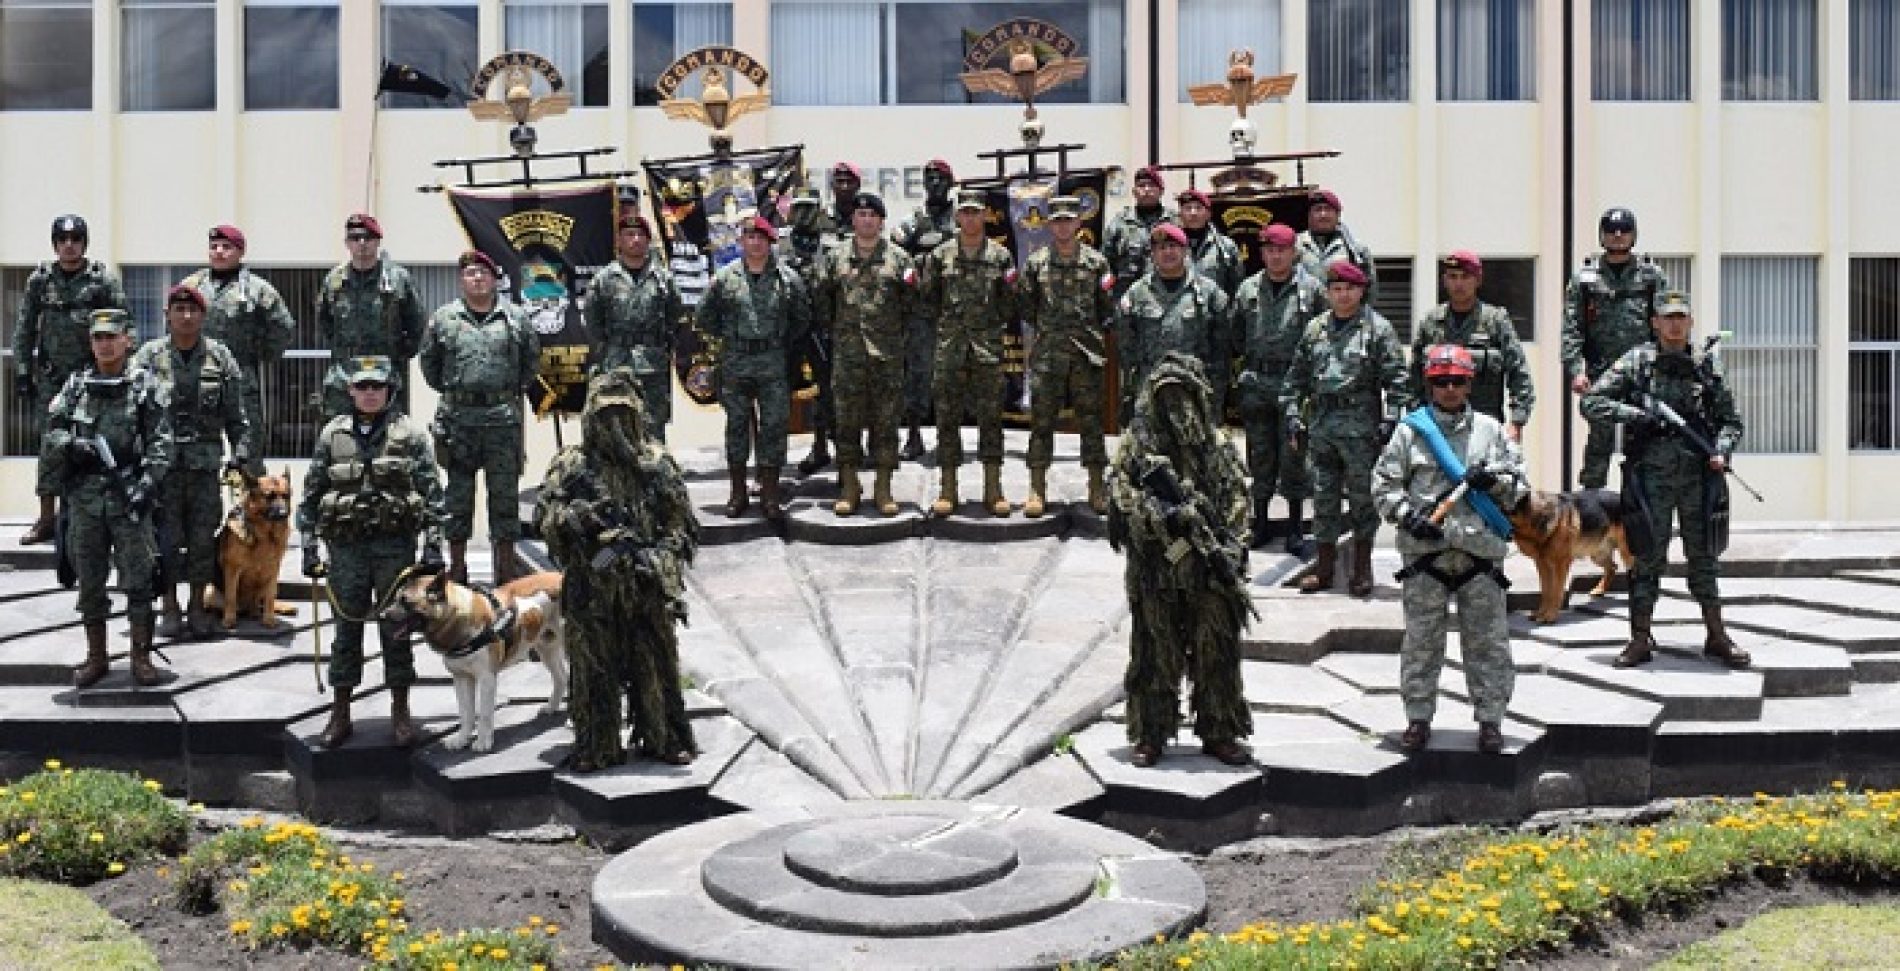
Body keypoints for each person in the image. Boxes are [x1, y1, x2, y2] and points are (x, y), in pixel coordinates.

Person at [536, 367, 699, 772]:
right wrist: (578, 519)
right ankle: (597, 744)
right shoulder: (572, 465)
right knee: (593, 671)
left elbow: (680, 526)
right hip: (591, 588)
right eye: (604, 416)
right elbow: (546, 515)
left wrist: (657, 562)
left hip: (644, 583)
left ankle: (665, 738)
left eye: (622, 415)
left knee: (655, 667)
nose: (614, 426)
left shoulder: (657, 463)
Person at [1582, 290, 1750, 670]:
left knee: (1704, 558)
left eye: (1681, 317)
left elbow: (1731, 421)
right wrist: (1636, 415)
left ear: (1690, 322)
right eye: (1667, 317)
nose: (1674, 324)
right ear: (1655, 322)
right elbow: (1591, 402)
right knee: (1645, 558)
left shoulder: (1705, 366)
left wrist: (1722, 449)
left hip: (1698, 478)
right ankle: (1640, 638)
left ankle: (1717, 635)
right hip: (1649, 479)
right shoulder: (1636, 362)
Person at [1373, 345, 1528, 754]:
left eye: (1457, 380)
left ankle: (1491, 720)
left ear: (1470, 382)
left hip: (1481, 557)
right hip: (1427, 556)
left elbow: (1519, 490)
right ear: (1428, 383)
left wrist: (1491, 482)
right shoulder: (1411, 431)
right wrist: (1408, 517)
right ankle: (1418, 719)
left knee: (1488, 645)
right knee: (1422, 643)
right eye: (1440, 381)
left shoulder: (1492, 432)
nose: (1449, 389)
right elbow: (1383, 487)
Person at [1106, 352, 1252, 769]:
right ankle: (1150, 733)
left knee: (1217, 651)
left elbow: (1239, 497)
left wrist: (1231, 549)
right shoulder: (1139, 441)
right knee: (1154, 652)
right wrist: (1161, 516)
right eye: (1167, 396)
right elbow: (1120, 494)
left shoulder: (1217, 443)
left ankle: (1219, 730)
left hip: (1207, 569)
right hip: (1156, 568)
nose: (1177, 407)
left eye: (1183, 395)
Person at [298, 356, 448, 749]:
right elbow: (311, 495)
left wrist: (433, 544)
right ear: (350, 391)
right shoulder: (332, 435)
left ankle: (401, 713)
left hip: (393, 551)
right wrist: (309, 546)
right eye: (362, 387)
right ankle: (340, 712)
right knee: (345, 631)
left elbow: (433, 494)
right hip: (346, 550)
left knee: (396, 629)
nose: (369, 394)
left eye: (376, 387)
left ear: (389, 390)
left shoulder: (410, 435)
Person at [42, 309, 172, 688]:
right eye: (98, 337)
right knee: (90, 582)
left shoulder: (145, 386)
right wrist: (73, 444)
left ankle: (141, 657)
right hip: (85, 499)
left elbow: (162, 443)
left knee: (139, 581)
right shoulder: (76, 386)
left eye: (112, 337)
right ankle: (96, 657)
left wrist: (147, 485)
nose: (105, 344)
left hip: (128, 495)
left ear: (127, 340)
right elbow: (52, 432)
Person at [131, 284, 252, 639]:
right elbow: (132, 412)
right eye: (178, 310)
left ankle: (198, 605)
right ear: (167, 315)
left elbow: (236, 416)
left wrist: (240, 454)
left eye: (193, 310)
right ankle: (168, 604)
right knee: (166, 540)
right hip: (161, 469)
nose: (185, 316)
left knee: (202, 540)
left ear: (203, 316)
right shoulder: (149, 357)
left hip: (203, 467)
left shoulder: (220, 358)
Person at [1281, 260, 1408, 597]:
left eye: (1349, 289)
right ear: (1328, 292)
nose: (1342, 295)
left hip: (1361, 430)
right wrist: (1293, 413)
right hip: (1322, 427)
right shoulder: (1315, 330)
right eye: (1336, 289)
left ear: (1361, 291)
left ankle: (1361, 571)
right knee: (1323, 498)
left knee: (1362, 499)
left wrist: (1391, 419)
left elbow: (1397, 380)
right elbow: (1296, 378)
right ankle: (1324, 570)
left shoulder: (1377, 329)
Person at [419, 250, 541, 584]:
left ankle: (505, 571)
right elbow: (429, 365)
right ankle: (457, 572)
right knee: (457, 499)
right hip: (458, 420)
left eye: (483, 273)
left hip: (501, 419)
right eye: (471, 273)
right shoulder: (444, 319)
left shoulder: (515, 318)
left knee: (504, 498)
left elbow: (530, 363)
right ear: (462, 279)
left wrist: (502, 393)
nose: (477, 278)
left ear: (494, 279)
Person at [13, 214, 127, 545]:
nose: (69, 245)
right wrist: (22, 371)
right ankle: (47, 518)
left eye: (75, 239)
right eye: (62, 240)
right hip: (51, 379)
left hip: (93, 378)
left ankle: (79, 517)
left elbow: (123, 323)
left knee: (91, 444)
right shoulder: (40, 280)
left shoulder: (101, 281)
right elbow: (24, 328)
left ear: (84, 243)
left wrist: (122, 367)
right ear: (55, 244)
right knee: (52, 446)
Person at [694, 217, 811, 519]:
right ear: (741, 242)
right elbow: (704, 316)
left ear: (770, 242)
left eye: (761, 237)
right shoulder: (724, 279)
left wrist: (778, 341)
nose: (755, 242)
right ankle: (738, 492)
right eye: (749, 237)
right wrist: (731, 337)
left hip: (773, 362)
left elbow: (801, 319)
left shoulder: (787, 279)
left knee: (773, 426)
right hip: (736, 362)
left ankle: (770, 493)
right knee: (737, 426)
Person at [814, 194, 915, 516]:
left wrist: (897, 339)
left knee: (886, 423)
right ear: (853, 220)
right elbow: (822, 300)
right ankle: (849, 485)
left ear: (882, 221)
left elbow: (914, 306)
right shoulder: (835, 258)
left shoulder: (899, 260)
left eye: (873, 214)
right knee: (846, 423)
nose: (867, 220)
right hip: (848, 356)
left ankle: (883, 488)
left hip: (887, 356)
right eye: (861, 213)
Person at [921, 189, 1019, 517]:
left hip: (987, 350)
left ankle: (993, 489)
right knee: (947, 418)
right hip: (950, 348)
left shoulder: (1001, 257)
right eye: (965, 212)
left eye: (976, 212)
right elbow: (929, 300)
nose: (971, 218)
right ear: (957, 216)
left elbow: (1009, 302)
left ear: (984, 215)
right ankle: (948, 489)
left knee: (991, 419)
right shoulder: (940, 257)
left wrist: (986, 326)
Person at [1019, 195, 1116, 517]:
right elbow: (1027, 308)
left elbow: (1106, 309)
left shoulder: (1096, 263)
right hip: (1048, 355)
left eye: (1068, 220)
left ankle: (1096, 485)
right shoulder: (1036, 264)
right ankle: (1037, 487)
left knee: (1091, 423)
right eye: (1056, 220)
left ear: (1078, 223)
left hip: (1086, 355)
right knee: (1042, 423)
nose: (1062, 225)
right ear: (1050, 224)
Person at [1231, 223, 1324, 552]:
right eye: (1269, 250)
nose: (1275, 256)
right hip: (1257, 382)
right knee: (1260, 456)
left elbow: (1324, 335)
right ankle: (1261, 524)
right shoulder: (1247, 290)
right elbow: (1236, 335)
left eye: (1281, 250)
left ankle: (1297, 527)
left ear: (1294, 253)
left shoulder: (1313, 290)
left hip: (1296, 383)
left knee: (1295, 456)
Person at [1564, 207, 1669, 489]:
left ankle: (1642, 509)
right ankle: (1592, 506)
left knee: (1644, 438)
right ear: (1602, 236)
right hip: (1602, 371)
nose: (1618, 236)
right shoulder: (1585, 279)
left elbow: (1665, 320)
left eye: (1624, 231)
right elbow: (1572, 328)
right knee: (1600, 440)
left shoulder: (1651, 276)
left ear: (1634, 235)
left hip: (1643, 370)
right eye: (1611, 231)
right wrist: (1576, 370)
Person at [183, 224, 295, 466]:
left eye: (227, 247)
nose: (219, 251)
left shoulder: (257, 289)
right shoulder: (192, 286)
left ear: (240, 252)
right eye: (214, 247)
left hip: (240, 381)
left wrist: (262, 354)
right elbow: (174, 322)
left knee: (248, 452)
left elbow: (282, 326)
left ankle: (254, 503)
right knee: (195, 450)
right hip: (197, 377)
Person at [1409, 251, 1534, 440]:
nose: (1458, 284)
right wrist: (1417, 417)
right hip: (1437, 428)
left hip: (1484, 424)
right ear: (1444, 280)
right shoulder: (1431, 322)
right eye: (1453, 277)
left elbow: (1519, 373)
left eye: (1465, 277)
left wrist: (1517, 422)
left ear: (1478, 280)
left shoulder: (1495, 321)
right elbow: (1413, 377)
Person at [1115, 223, 1232, 425]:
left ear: (1185, 250)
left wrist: (1217, 395)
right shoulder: (1137, 293)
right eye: (1161, 248)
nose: (1167, 252)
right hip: (1149, 388)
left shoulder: (1209, 292)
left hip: (1196, 388)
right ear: (1152, 254)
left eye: (1173, 246)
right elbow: (1126, 343)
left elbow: (1221, 348)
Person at [315, 213, 426, 418]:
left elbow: (417, 324)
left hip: (387, 377)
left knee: (392, 440)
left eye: (369, 238)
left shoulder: (398, 279)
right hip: (345, 377)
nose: (362, 243)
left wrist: (397, 356)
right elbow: (325, 322)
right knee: (341, 439)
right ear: (347, 243)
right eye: (355, 238)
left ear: (378, 242)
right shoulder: (334, 280)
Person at [584, 211, 683, 436]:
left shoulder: (662, 278)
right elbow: (592, 320)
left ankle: (654, 472)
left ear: (648, 240)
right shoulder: (604, 279)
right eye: (629, 234)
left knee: (654, 427)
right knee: (619, 427)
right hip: (618, 363)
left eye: (640, 234)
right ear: (619, 241)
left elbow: (675, 313)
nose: (635, 239)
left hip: (653, 362)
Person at [892, 159, 958, 461]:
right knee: (917, 373)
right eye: (928, 178)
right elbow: (897, 249)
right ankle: (914, 434)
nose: (934, 183)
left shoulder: (961, 218)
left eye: (940, 178)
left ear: (950, 183)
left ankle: (950, 435)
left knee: (954, 375)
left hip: (956, 309)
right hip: (921, 310)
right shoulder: (914, 220)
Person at [777, 190, 836, 476]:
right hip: (787, 331)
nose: (803, 214)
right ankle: (773, 461)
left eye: (809, 208)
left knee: (828, 391)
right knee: (778, 393)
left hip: (822, 328)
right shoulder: (778, 245)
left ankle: (824, 447)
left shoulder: (832, 246)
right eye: (798, 208)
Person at [1102, 165, 1173, 302]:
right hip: (1128, 299)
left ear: (1161, 191)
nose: (1146, 190)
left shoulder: (1175, 221)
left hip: (1166, 298)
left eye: (1152, 185)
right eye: (1141, 186)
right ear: (1134, 191)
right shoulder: (1119, 222)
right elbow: (1106, 262)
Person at [1294, 189, 1376, 301]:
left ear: (1338, 215)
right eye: (1318, 210)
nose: (1323, 215)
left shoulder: (1356, 249)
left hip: (1341, 315)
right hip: (1304, 314)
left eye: (1328, 209)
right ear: (1308, 215)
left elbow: (1369, 289)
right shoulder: (1294, 245)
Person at [1177, 188, 1245, 296]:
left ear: (1208, 214)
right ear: (1180, 214)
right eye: (1188, 208)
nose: (1193, 213)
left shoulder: (1226, 247)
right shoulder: (1171, 246)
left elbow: (1237, 287)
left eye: (1198, 208)